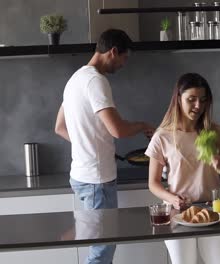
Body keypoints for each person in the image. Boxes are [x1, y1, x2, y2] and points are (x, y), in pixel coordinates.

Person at [54, 28, 154, 264]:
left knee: (98, 242)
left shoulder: (74, 79)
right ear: (113, 52)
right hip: (97, 181)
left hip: (81, 177)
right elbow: (118, 130)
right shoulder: (96, 81)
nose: (123, 64)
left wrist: (88, 144)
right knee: (102, 250)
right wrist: (142, 125)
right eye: (124, 58)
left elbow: (59, 127)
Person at [145, 73, 220, 264]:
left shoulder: (216, 132)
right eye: (192, 99)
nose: (198, 106)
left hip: (213, 211)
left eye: (203, 100)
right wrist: (172, 199)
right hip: (179, 214)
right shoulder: (162, 137)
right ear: (178, 99)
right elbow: (153, 183)